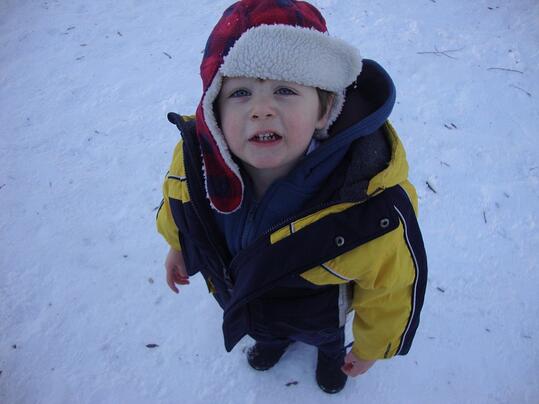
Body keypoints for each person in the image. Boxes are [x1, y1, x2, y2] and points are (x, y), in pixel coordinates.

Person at [157, 0, 427, 394]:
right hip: (245, 295)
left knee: (326, 336)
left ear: (324, 110)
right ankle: (271, 339)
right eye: (241, 92)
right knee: (263, 323)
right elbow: (179, 203)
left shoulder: (369, 208)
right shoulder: (195, 165)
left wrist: (371, 346)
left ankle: (330, 357)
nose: (261, 109)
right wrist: (177, 245)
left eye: (284, 90)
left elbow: (393, 287)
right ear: (212, 109)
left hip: (319, 314)